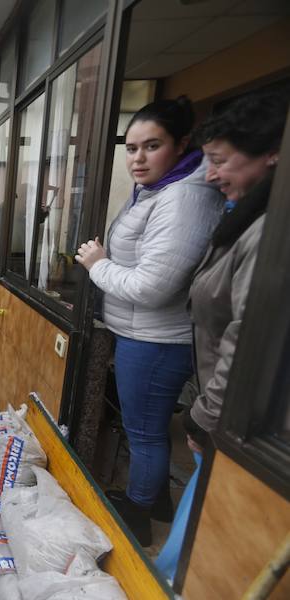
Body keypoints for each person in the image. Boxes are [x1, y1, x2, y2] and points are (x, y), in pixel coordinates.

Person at [75, 97, 223, 546]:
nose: (138, 159)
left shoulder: (184, 198)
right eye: (131, 148)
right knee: (146, 428)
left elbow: (152, 286)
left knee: (144, 433)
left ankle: (138, 516)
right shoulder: (159, 188)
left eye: (152, 146)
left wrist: (98, 265)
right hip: (143, 333)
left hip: (157, 340)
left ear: (181, 145)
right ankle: (155, 501)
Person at [155, 90, 288, 579]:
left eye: (220, 160)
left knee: (192, 555)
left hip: (243, 425)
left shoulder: (270, 232)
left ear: (271, 154)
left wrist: (201, 417)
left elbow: (245, 338)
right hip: (221, 411)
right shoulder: (245, 216)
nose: (210, 175)